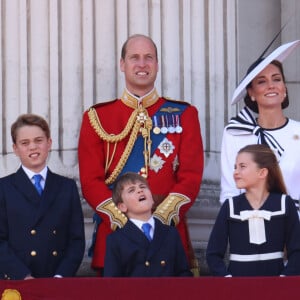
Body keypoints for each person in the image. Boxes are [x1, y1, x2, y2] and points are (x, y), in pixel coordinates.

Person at [78, 34, 204, 273]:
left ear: (157, 65)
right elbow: (90, 181)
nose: (142, 64)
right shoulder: (97, 118)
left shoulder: (184, 114)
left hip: (167, 238)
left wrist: (159, 221)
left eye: (149, 58)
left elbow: (191, 176)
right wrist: (124, 221)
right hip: (116, 237)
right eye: (134, 58)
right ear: (122, 64)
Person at [0, 114, 85, 280]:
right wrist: (23, 276)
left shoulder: (67, 187)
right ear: (16, 149)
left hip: (56, 281)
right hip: (17, 280)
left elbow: (76, 240)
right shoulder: (3, 188)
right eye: (25, 143)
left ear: (49, 143)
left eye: (38, 140)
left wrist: (61, 276)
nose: (33, 147)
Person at [220, 40, 300, 211]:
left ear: (284, 89)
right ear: (251, 93)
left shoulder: (298, 132)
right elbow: (229, 192)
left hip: (295, 227)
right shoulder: (235, 133)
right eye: (262, 81)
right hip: (248, 226)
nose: (271, 85)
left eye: (277, 79)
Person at [207, 144, 300, 276]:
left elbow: (297, 251)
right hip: (238, 286)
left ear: (262, 172)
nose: (235, 172)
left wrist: (284, 278)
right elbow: (213, 254)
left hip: (275, 287)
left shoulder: (285, 204)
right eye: (235, 167)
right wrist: (227, 279)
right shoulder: (230, 206)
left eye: (242, 166)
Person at [103, 172, 192, 277]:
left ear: (152, 198)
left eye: (143, 187)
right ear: (122, 206)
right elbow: (112, 284)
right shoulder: (116, 240)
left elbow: (183, 274)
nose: (140, 190)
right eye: (132, 190)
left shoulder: (171, 233)